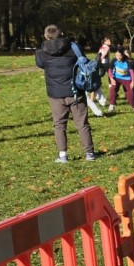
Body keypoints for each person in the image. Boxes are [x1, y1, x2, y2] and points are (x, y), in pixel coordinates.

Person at [35, 26, 97, 164]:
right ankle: (89, 153)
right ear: (61, 34)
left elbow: (40, 65)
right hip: (75, 91)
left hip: (55, 94)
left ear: (46, 36)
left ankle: (63, 155)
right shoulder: (74, 47)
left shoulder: (40, 52)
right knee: (82, 123)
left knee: (59, 125)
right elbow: (84, 61)